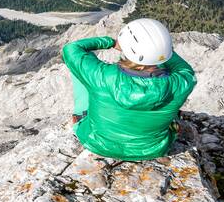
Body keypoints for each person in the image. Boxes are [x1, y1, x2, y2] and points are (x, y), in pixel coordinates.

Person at [61, 18, 196, 161]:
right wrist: (159, 52)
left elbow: (71, 49)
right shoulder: (181, 83)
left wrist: (111, 42)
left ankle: (80, 116)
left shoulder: (102, 76)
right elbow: (185, 70)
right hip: (152, 150)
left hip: (97, 144)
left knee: (82, 70)